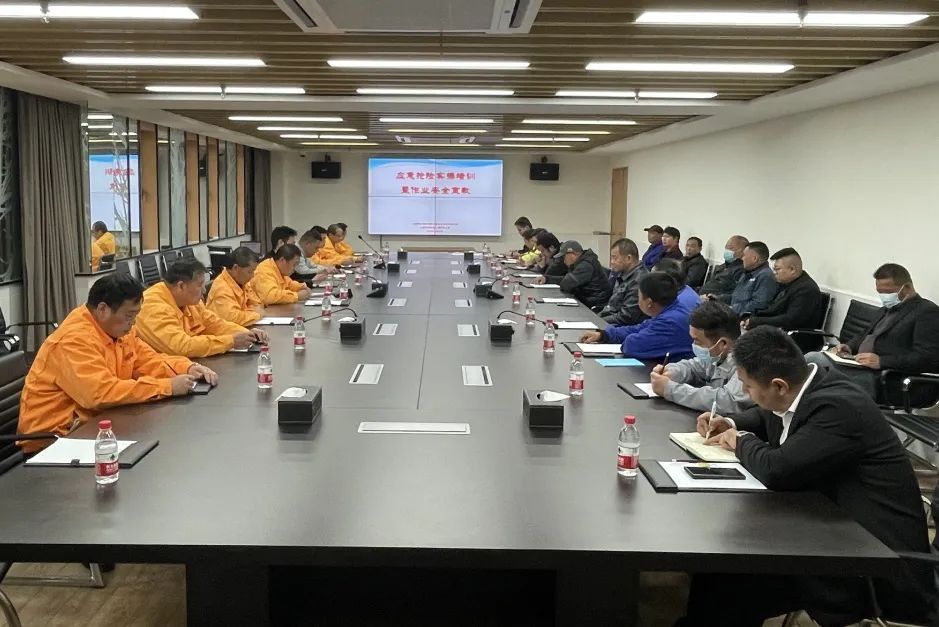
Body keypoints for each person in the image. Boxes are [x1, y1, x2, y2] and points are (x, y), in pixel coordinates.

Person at [677, 327, 932, 627]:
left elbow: (776, 469)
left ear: (779, 386)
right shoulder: (806, 384)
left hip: (873, 566)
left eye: (747, 386)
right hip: (830, 532)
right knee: (720, 566)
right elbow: (767, 414)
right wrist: (730, 422)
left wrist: (741, 440)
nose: (745, 393)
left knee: (732, 577)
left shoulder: (840, 407)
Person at [17, 273, 218, 453]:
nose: (133, 323)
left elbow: (149, 360)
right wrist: (168, 387)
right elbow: (100, 393)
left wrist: (187, 367)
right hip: (54, 443)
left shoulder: (118, 330)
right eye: (129, 316)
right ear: (103, 309)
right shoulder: (73, 340)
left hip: (94, 428)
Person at [807, 263, 939, 398]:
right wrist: (849, 346)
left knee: (816, 369)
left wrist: (881, 361)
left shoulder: (926, 312)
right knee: (812, 360)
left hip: (886, 376)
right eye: (880, 292)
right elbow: (865, 334)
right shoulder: (886, 309)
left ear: (907, 288)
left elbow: (928, 358)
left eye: (888, 292)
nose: (884, 297)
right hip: (858, 365)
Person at [136, 258, 266, 358]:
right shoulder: (153, 306)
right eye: (200, 285)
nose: (204, 290)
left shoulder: (189, 301)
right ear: (181, 286)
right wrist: (230, 341)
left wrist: (246, 333)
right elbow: (181, 347)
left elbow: (213, 323)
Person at [649, 300, 752, 415]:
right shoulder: (717, 352)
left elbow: (728, 401)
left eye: (697, 341)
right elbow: (693, 367)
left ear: (723, 344)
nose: (694, 345)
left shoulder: (749, 358)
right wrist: (672, 372)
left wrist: (671, 390)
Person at [580, 272, 693, 360]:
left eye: (639, 296)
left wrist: (629, 337)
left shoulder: (670, 321)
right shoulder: (671, 310)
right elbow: (639, 328)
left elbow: (632, 346)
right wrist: (604, 335)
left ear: (649, 302)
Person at [743, 247, 822, 331]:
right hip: (775, 331)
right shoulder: (786, 283)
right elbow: (771, 310)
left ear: (792, 269)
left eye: (777, 269)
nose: (774, 272)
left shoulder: (806, 289)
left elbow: (790, 320)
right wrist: (750, 319)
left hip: (792, 335)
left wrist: (757, 321)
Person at [537, 240, 610, 309]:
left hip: (595, 305)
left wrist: (568, 269)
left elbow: (567, 284)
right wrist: (547, 279)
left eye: (564, 257)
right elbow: (567, 280)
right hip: (587, 300)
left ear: (572, 254)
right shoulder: (582, 261)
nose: (563, 261)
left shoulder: (586, 265)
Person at [205, 246, 265, 327]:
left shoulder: (242, 282)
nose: (252, 276)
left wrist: (247, 313)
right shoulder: (221, 289)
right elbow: (233, 319)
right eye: (250, 272)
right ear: (235, 268)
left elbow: (257, 304)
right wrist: (256, 314)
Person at [598, 238, 648, 326]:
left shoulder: (639, 280)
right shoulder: (622, 274)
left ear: (628, 258)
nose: (611, 262)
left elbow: (626, 317)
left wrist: (597, 320)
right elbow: (612, 306)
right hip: (611, 320)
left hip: (622, 327)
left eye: (615, 258)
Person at [722, 241, 777, 315]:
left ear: (754, 259)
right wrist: (718, 298)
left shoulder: (766, 276)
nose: (742, 258)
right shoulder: (748, 272)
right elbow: (736, 296)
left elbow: (759, 305)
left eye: (744, 255)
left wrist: (732, 309)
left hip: (743, 317)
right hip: (733, 312)